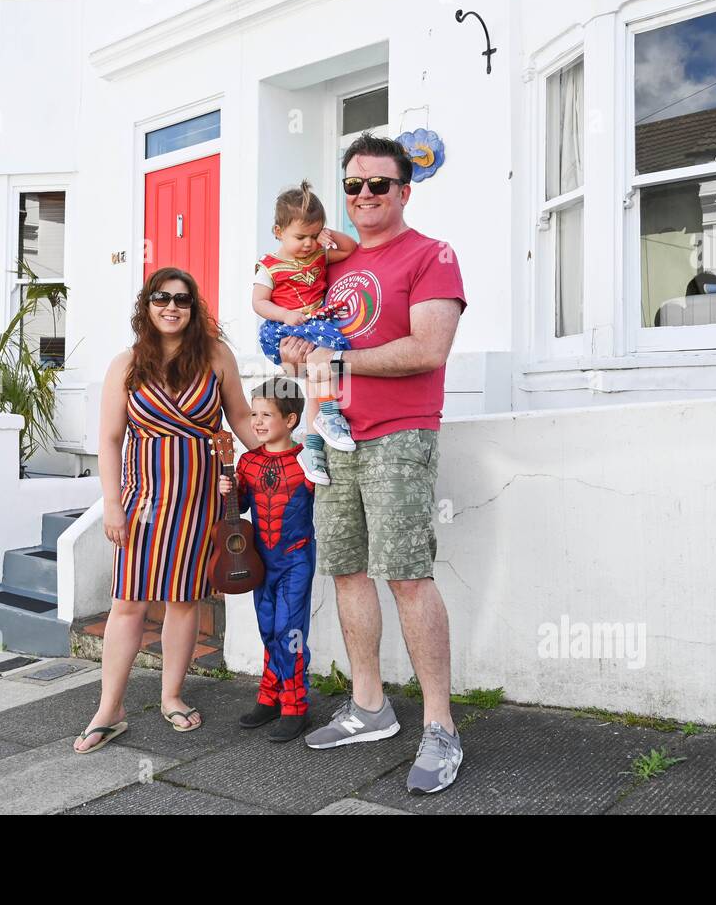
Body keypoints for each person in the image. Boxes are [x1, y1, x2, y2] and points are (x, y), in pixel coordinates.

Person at [281, 133, 467, 794]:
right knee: (348, 570)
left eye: (378, 185)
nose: (363, 195)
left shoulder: (431, 255)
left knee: (408, 575)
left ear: (404, 189)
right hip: (333, 439)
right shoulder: (333, 267)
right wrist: (298, 354)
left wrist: (341, 360)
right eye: (353, 184)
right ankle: (369, 707)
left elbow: (429, 347)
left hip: (398, 435)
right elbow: (307, 347)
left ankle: (441, 726)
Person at [74, 268, 260, 754]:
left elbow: (239, 416)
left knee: (183, 600)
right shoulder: (127, 364)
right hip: (143, 502)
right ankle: (109, 709)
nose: (172, 307)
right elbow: (111, 441)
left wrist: (279, 454)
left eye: (182, 300)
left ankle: (171, 695)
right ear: (148, 305)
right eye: (162, 298)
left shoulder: (217, 357)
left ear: (193, 307)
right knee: (128, 602)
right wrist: (112, 505)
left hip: (200, 501)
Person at [217, 377, 316, 742]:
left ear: (290, 421)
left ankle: (296, 705)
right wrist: (228, 489)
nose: (256, 422)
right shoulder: (247, 462)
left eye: (266, 415)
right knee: (267, 627)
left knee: (290, 631)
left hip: (295, 558)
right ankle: (270, 696)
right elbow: (239, 509)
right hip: (261, 561)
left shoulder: (306, 460)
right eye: (253, 414)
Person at [253, 181, 360, 486]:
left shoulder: (319, 256)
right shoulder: (270, 266)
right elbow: (258, 302)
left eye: (315, 235)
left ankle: (313, 449)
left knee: (318, 370)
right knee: (324, 362)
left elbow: (349, 248)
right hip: (285, 327)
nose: (308, 244)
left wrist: (331, 236)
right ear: (278, 232)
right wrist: (285, 314)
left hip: (315, 325)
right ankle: (328, 413)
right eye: (300, 237)